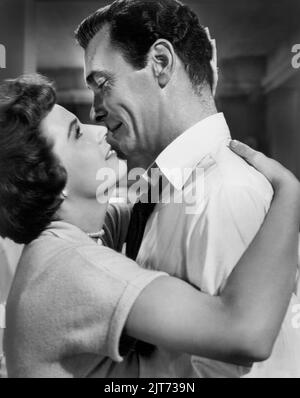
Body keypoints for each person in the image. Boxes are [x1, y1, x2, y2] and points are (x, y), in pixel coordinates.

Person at [0, 75, 299, 378]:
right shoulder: (69, 266)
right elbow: (246, 334)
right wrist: (289, 194)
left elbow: (146, 201)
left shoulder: (67, 241)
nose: (97, 129)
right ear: (44, 177)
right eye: (76, 134)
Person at [75, 0, 300, 377]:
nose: (95, 110)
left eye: (102, 83)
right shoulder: (160, 192)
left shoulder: (224, 192)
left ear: (161, 63)